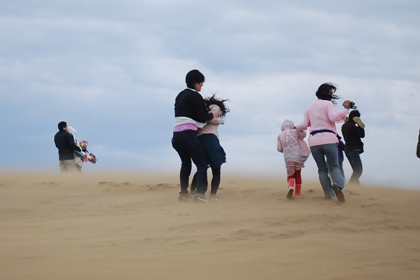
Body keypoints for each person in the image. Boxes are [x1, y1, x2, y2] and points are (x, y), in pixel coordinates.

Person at [295, 83, 352, 202]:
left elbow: (303, 125)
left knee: (322, 169)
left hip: (314, 141)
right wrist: (346, 109)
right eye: (331, 93)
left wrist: (293, 127)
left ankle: (328, 194)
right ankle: (338, 186)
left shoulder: (309, 107)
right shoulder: (328, 104)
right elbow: (334, 117)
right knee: (334, 166)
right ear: (328, 94)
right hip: (329, 139)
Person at [171, 69, 219, 202]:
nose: (202, 85)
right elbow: (202, 117)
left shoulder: (180, 95)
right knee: (202, 164)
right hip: (188, 135)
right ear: (195, 83)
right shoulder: (195, 96)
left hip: (176, 136)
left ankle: (183, 194)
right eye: (201, 82)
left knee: (185, 164)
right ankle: (199, 195)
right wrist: (213, 114)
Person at [190, 94, 229, 202]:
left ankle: (192, 192)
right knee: (216, 168)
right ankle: (213, 195)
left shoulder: (199, 113)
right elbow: (211, 119)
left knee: (202, 168)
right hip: (210, 139)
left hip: (199, 140)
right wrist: (221, 120)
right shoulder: (214, 108)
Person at [277, 119, 310, 199]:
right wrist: (297, 128)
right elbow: (303, 135)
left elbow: (279, 148)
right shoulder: (295, 132)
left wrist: (285, 149)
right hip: (298, 156)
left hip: (288, 158)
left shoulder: (280, 135)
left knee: (290, 175)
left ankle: (291, 186)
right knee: (298, 175)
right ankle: (297, 194)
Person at [341, 110, 365, 185]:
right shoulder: (352, 126)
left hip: (348, 149)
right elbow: (362, 135)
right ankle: (350, 186)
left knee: (355, 170)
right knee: (358, 171)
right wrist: (360, 124)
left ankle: (356, 187)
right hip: (353, 149)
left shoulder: (345, 125)